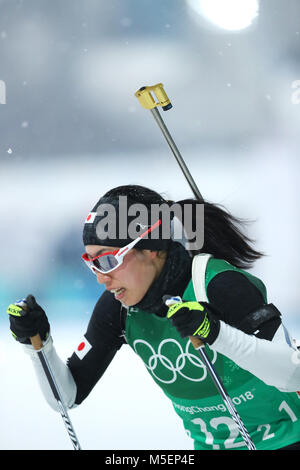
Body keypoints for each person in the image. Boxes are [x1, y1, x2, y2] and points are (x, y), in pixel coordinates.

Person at [7, 184, 300, 450]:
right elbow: (67, 396)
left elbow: (293, 375)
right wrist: (38, 345)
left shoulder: (218, 285)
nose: (101, 278)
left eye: (108, 260)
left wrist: (217, 334)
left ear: (150, 249)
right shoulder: (119, 307)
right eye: (92, 263)